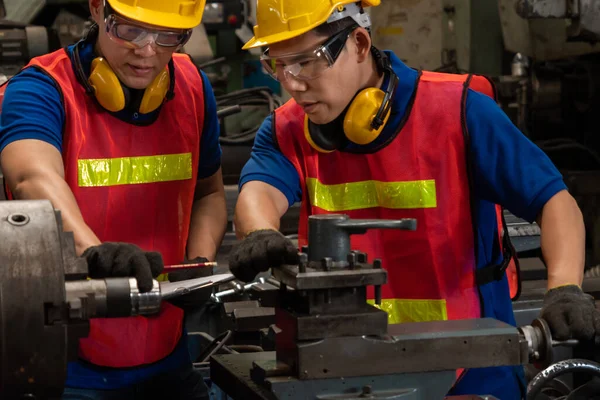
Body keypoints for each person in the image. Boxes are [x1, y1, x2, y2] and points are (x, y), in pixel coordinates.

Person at [228, 0, 600, 397]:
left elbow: (554, 202)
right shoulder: (287, 129)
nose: (292, 82)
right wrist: (259, 232)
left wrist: (564, 288)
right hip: (344, 365)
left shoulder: (459, 112)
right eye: (278, 64)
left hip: (470, 365)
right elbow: (260, 191)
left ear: (358, 42)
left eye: (306, 61)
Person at [0, 0, 227, 398]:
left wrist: (198, 262)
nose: (147, 50)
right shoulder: (40, 89)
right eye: (130, 30)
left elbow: (209, 192)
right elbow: (31, 177)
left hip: (168, 354)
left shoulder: (192, 86)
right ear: (96, 9)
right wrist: (95, 252)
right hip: (66, 367)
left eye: (168, 35)